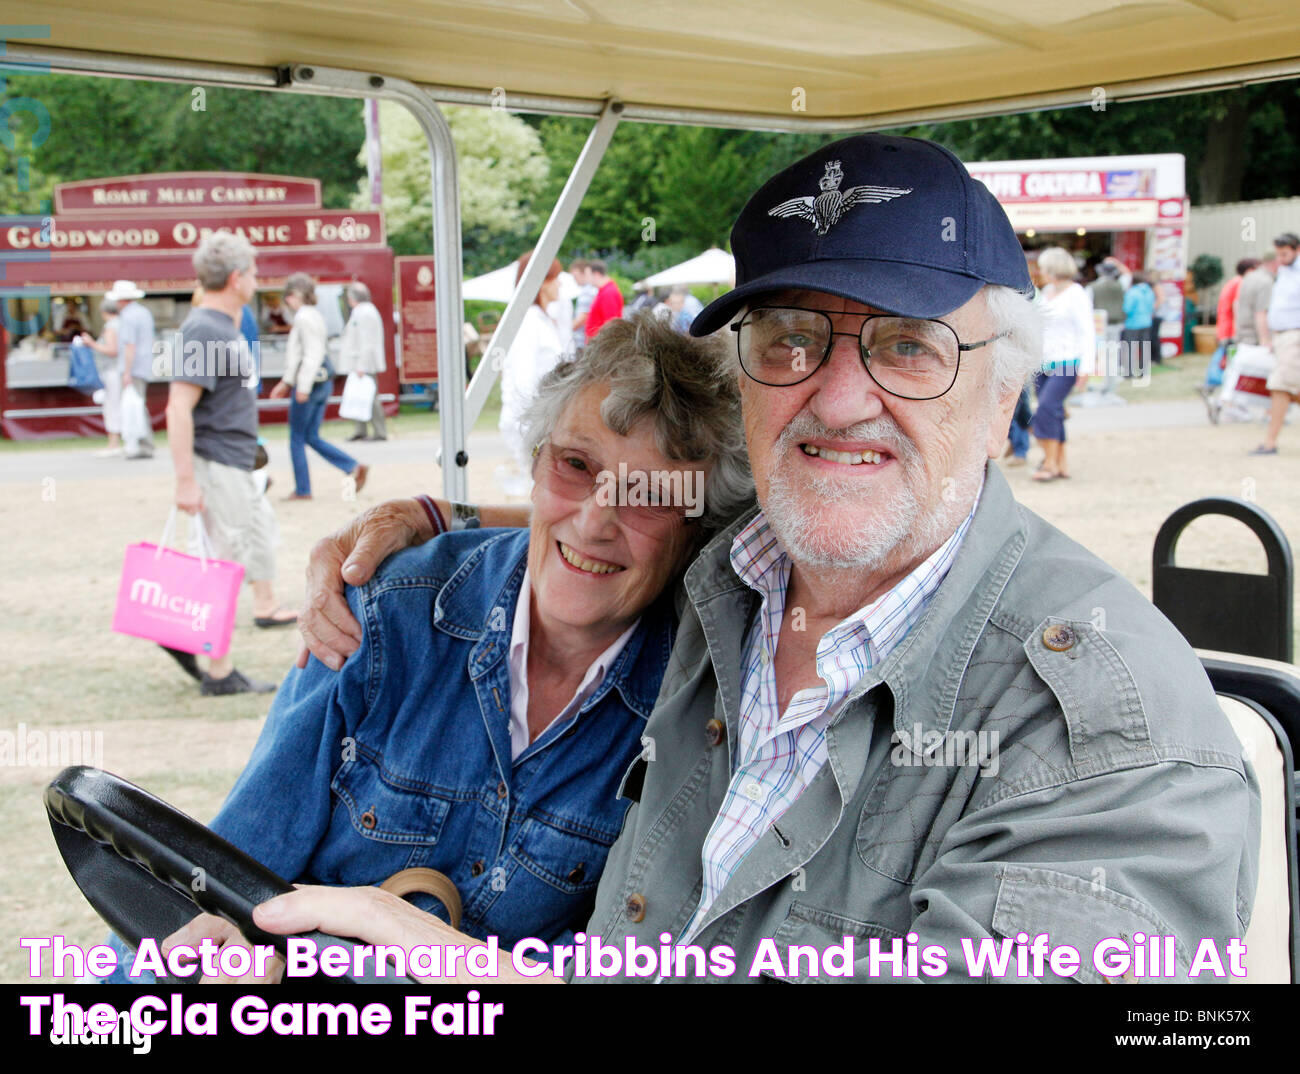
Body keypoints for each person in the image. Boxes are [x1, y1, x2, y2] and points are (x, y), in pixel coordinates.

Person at [215, 134, 1262, 985]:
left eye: (908, 346)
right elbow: (610, 513)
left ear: (1004, 403)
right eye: (791, 338)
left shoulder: (1112, 734)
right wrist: (424, 512)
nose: (839, 396)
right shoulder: (737, 576)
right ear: (751, 385)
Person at [141, 313, 754, 982]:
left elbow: (624, 962)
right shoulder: (390, 612)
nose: (594, 521)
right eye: (576, 465)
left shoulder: (697, 700)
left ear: (698, 531)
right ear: (537, 460)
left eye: (649, 495)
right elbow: (224, 888)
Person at [164, 232, 296, 696]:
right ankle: (217, 671)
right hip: (217, 464)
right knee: (225, 565)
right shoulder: (204, 328)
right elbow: (178, 407)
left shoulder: (221, 324)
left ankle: (187, 639)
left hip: (234, 462)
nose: (258, 281)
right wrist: (185, 482)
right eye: (255, 273)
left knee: (239, 554)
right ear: (237, 277)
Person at [269, 273, 368, 500]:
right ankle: (351, 465)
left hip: (310, 384)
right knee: (311, 436)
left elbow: (309, 355)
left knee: (296, 437)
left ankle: (303, 488)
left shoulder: (303, 318)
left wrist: (299, 385)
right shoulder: (316, 315)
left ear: (294, 296)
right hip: (322, 382)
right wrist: (287, 383)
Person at [498, 252, 564, 494]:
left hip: (543, 420)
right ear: (541, 282)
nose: (559, 284)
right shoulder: (527, 321)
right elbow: (523, 380)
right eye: (555, 278)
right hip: (530, 423)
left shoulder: (542, 320)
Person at [1029, 246, 1093, 482]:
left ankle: (1049, 463)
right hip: (1043, 361)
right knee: (1053, 411)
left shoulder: (1077, 294)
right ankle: (1061, 463)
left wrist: (1086, 367)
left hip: (1068, 361)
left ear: (1054, 268)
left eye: (1044, 267)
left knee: (1046, 408)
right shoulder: (1044, 293)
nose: (1040, 271)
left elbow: (1088, 332)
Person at [1251, 233, 1300, 455]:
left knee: (1280, 385)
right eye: (1278, 254)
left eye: (1285, 254)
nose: (1280, 258)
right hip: (1282, 336)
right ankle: (1270, 441)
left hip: (1295, 335)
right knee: (1288, 388)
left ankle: (1270, 442)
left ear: (1297, 249)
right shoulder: (1284, 272)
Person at [107, 279, 156, 459]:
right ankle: (142, 443)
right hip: (143, 365)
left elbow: (130, 346)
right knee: (138, 405)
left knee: (134, 407)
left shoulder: (128, 317)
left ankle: (142, 444)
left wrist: (127, 371)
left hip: (133, 367)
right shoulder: (144, 313)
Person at [340, 281, 388, 442]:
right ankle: (360, 430)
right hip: (359, 363)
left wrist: (362, 365)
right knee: (358, 396)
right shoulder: (360, 311)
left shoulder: (365, 312)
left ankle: (380, 431)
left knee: (371, 397)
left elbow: (367, 342)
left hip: (365, 364)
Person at [77, 296, 121, 456]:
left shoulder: (111, 327)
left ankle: (113, 442)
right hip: (119, 370)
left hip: (112, 370)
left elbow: (111, 350)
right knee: (116, 404)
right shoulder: (122, 324)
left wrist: (91, 344)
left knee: (112, 405)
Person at [1121, 270, 1156, 378]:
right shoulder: (1149, 291)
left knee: (1130, 348)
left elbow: (1127, 308)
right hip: (1147, 322)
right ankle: (1143, 372)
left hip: (1133, 323)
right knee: (1145, 347)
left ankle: (1129, 372)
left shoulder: (1132, 292)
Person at [583, 259, 623, 343]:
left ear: (596, 274)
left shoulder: (608, 293)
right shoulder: (604, 291)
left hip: (599, 345)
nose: (586, 279)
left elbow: (611, 324)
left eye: (587, 275)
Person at [569, 259, 596, 349]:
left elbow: (583, 317)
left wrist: (566, 330)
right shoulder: (590, 289)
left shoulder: (587, 292)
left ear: (583, 273)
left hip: (581, 340)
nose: (574, 280)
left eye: (575, 276)